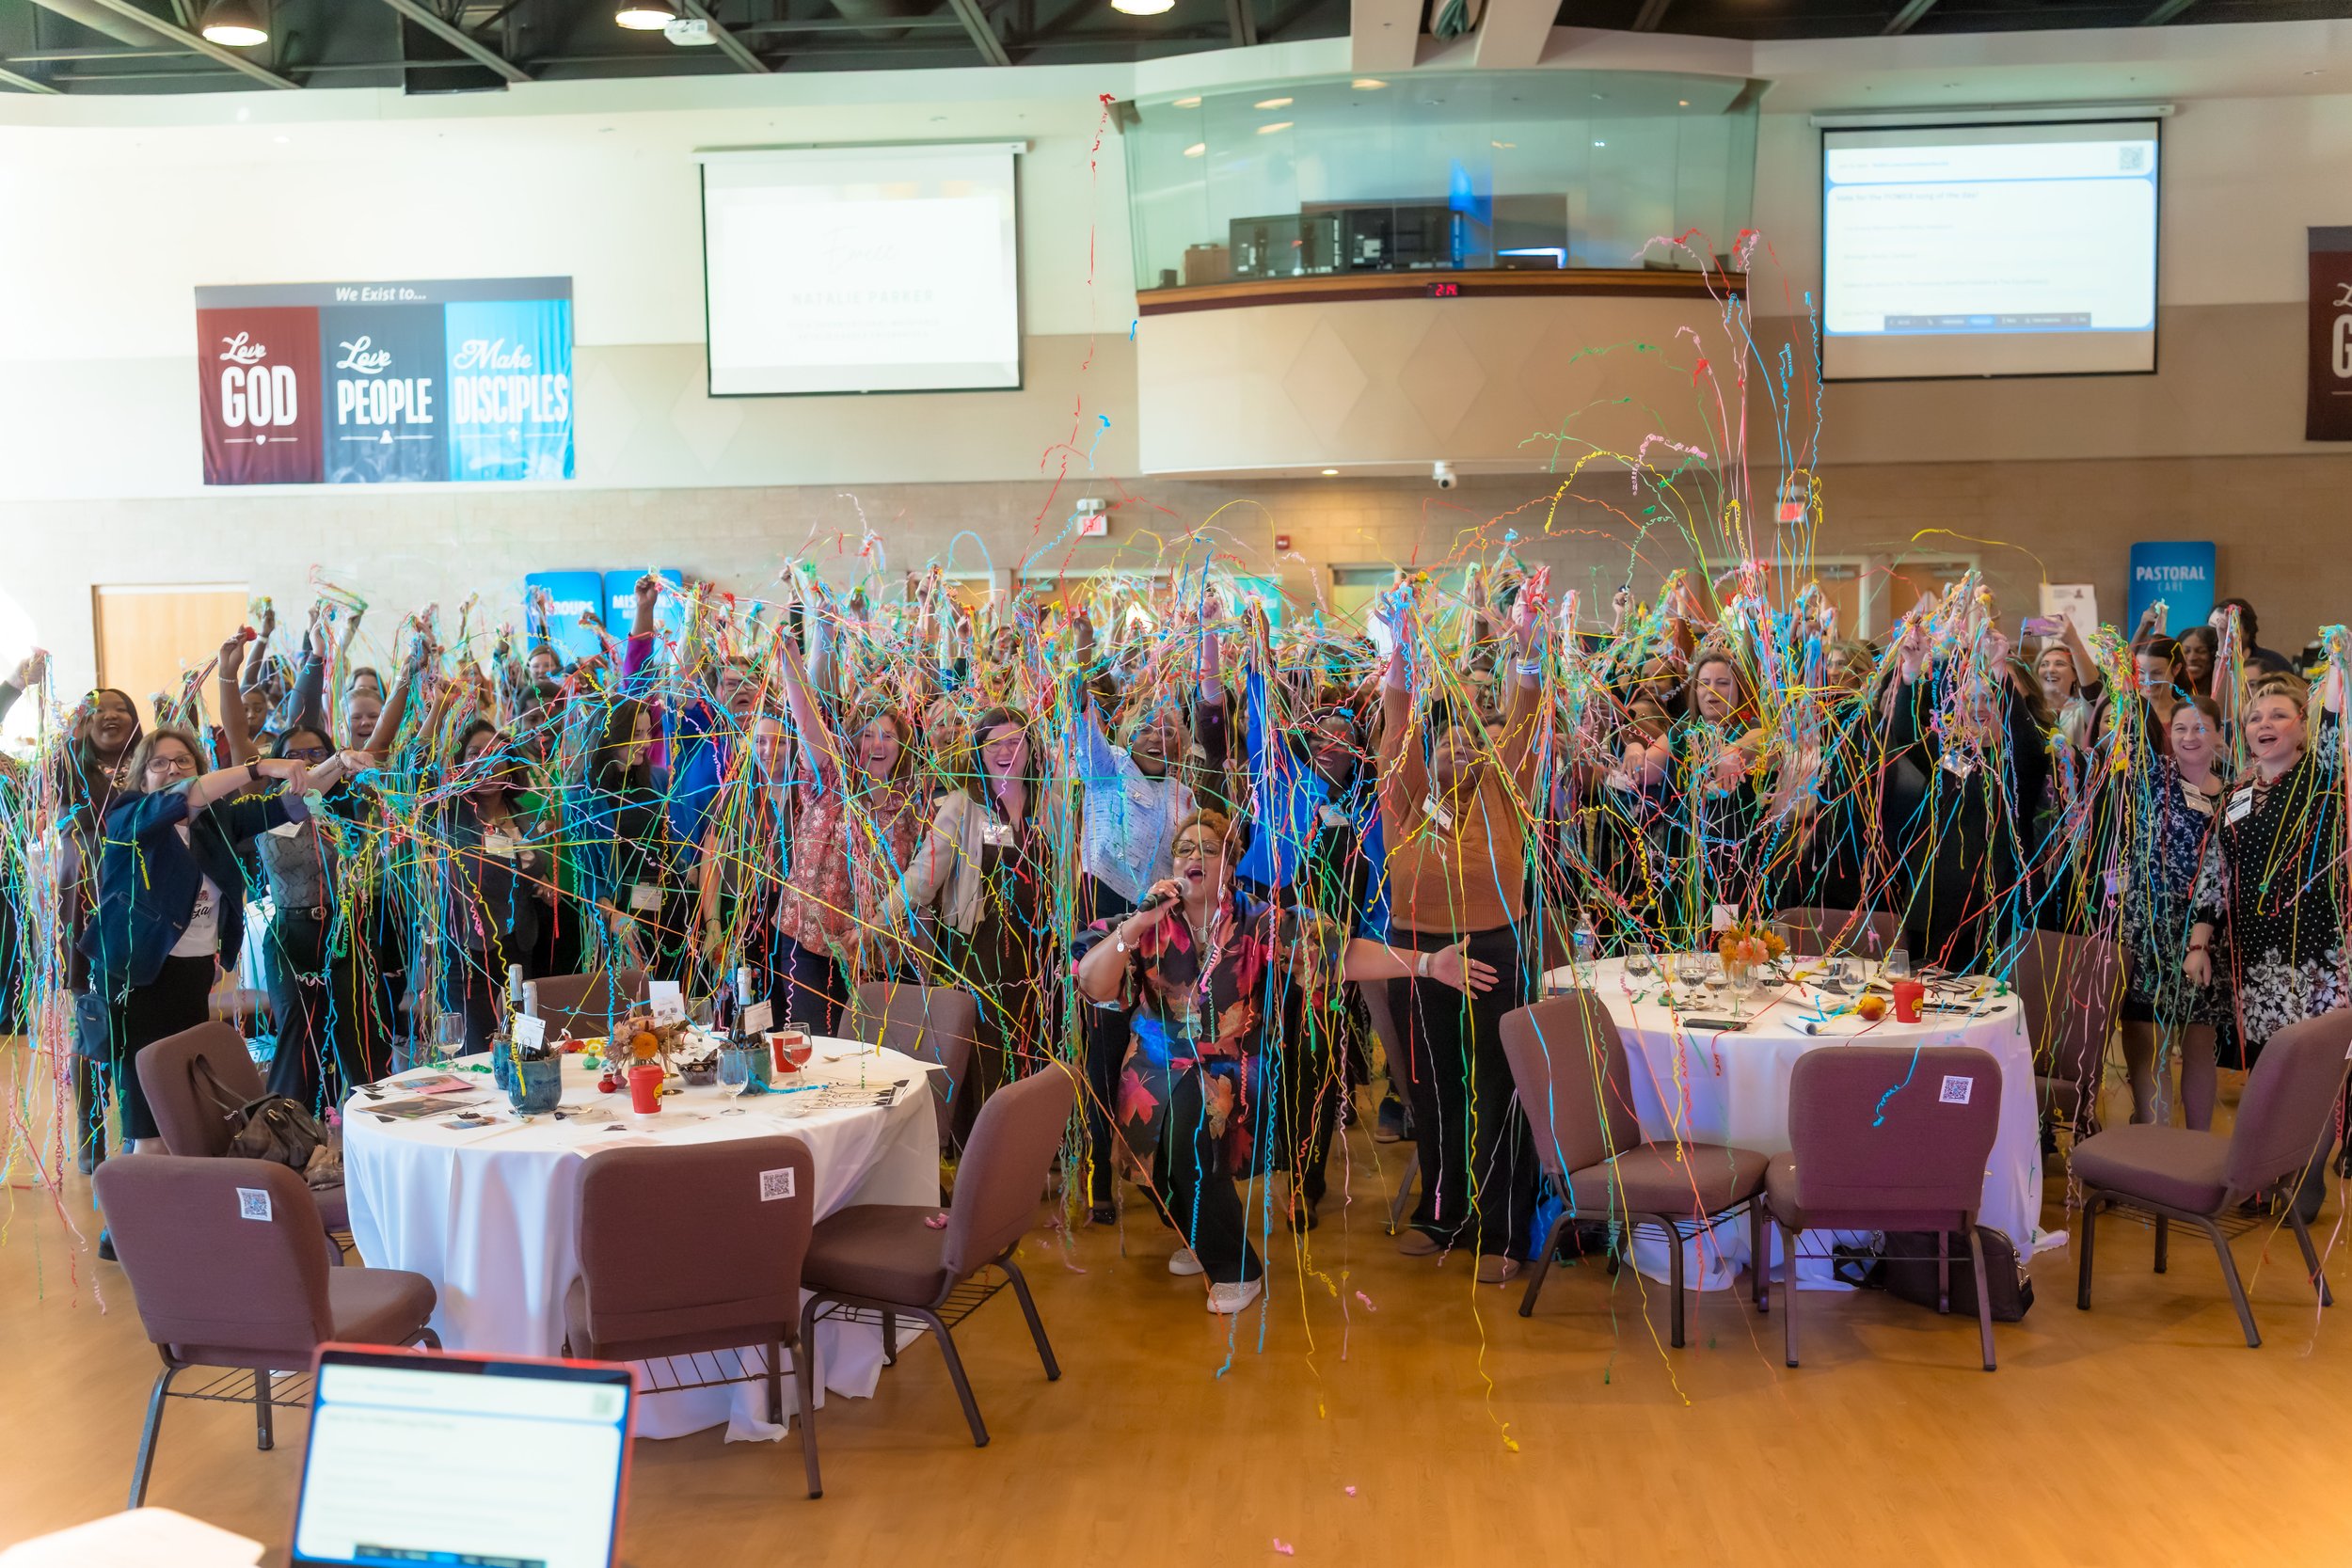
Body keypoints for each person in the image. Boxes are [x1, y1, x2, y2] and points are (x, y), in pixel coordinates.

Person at [83, 728, 335, 1239]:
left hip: (191, 977)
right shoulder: (132, 818)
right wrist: (261, 765)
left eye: (183, 761)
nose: (172, 770)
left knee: (177, 1101)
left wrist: (338, 766)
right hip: (137, 981)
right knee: (147, 1118)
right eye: (159, 764)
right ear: (141, 775)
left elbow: (293, 805)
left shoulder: (214, 825)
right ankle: (125, 1234)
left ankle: (152, 1221)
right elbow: (186, 796)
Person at [1074, 811, 1326, 1313]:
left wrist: (1428, 963)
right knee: (1153, 1165)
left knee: (1188, 1130)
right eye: (1184, 849)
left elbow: (1339, 951)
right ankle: (1200, 1233)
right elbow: (1092, 984)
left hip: (1230, 1068)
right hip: (1148, 1066)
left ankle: (1237, 1268)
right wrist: (1139, 921)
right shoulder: (1146, 921)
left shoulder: (1258, 919)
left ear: (1229, 865)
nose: (1194, 856)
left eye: (1208, 849)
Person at [1375, 586, 1545, 1282]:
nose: (1458, 743)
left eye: (1471, 736)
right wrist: (1403, 649)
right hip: (1420, 955)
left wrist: (1529, 643)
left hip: (1496, 951)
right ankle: (1442, 1212)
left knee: (1502, 1089)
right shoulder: (1408, 798)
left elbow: (1530, 715)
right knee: (1435, 1085)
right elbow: (1395, 722)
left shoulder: (1506, 793)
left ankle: (1504, 1232)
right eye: (1444, 735)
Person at [2187, 670, 2345, 1218]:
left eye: (2279, 715)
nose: (2264, 723)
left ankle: (2306, 1177)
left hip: (2317, 959)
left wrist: (2336, 676)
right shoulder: (2234, 797)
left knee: (2314, 1074)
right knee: (2270, 1073)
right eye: (2255, 716)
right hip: (2256, 964)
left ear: (2302, 731)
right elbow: (2214, 871)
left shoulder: (2321, 781)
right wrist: (2200, 944)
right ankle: (2268, 1174)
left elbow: (2333, 728)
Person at [883, 705, 1061, 1137]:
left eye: (1014, 741)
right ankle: (985, 1151)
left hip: (1037, 953)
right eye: (994, 742)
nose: (1005, 751)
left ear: (1030, 749)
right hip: (976, 954)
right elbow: (924, 875)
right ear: (979, 750)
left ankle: (1031, 1147)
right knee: (986, 1052)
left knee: (1035, 1045)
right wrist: (879, 920)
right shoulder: (963, 806)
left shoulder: (1051, 806)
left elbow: (1068, 876)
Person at [771, 619, 925, 1034]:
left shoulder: (909, 806)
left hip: (872, 951)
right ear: (852, 740)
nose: (878, 745)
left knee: (864, 1056)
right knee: (810, 1048)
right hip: (809, 941)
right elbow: (805, 719)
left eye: (888, 736)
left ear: (902, 744)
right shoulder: (829, 780)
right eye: (868, 734)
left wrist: (874, 928)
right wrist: (791, 659)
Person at [254, 726, 389, 1110]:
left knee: (360, 1033)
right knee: (299, 1029)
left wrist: (406, 677)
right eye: (295, 755)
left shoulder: (349, 804)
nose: (306, 762)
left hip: (347, 929)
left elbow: (384, 737)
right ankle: (287, 1134)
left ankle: (372, 1130)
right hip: (291, 934)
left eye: (316, 753)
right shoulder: (264, 809)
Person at [2116, 696, 2225, 1128]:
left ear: (2219, 733)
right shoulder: (2150, 778)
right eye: (2180, 728)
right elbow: (2129, 718)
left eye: (2200, 727)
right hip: (2148, 931)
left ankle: (2194, 1151)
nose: (2189, 736)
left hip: (2207, 933)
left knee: (2199, 1045)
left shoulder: (2237, 791)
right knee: (2149, 1045)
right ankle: (2152, 1149)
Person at [439, 722, 548, 1052]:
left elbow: (524, 870)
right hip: (471, 951)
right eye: (476, 754)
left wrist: (539, 884)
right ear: (461, 764)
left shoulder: (525, 815)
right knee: (481, 1048)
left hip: (521, 945)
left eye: (496, 754)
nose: (487, 761)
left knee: (524, 1045)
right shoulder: (449, 816)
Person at [2213, 597, 2295, 677]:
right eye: (2214, 627)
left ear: (2248, 628)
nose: (2220, 633)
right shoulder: (2209, 663)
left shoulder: (2275, 663)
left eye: (2227, 627)